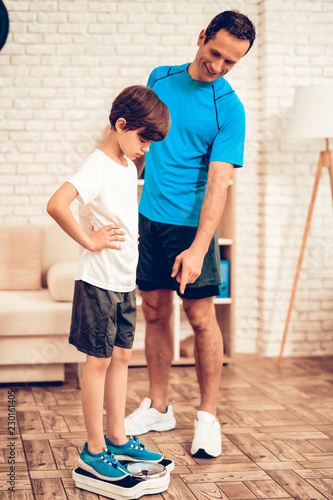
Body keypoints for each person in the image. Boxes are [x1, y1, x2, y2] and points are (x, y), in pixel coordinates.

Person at [125, 11, 256, 458]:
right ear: (201, 37)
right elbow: (141, 145)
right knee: (156, 312)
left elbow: (220, 182)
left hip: (191, 227)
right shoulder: (159, 78)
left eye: (231, 62)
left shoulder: (229, 109)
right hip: (149, 218)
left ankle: (207, 416)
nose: (218, 66)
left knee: (201, 319)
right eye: (214, 52)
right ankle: (160, 407)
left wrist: (200, 248)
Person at [47, 85, 170, 481]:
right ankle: (94, 450)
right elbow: (56, 204)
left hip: (123, 282)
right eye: (143, 139)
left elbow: (116, 210)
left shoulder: (128, 166)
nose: (145, 149)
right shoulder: (96, 164)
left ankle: (117, 438)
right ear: (120, 125)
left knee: (120, 358)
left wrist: (127, 234)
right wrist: (89, 240)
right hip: (98, 282)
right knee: (97, 363)